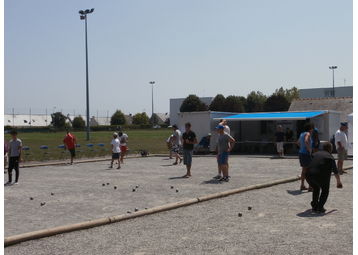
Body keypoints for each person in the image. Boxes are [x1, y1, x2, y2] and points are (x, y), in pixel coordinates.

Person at [305, 142, 343, 213]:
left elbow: (310, 164)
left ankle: (314, 204)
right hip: (320, 175)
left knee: (316, 188)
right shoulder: (330, 157)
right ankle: (320, 206)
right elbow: (335, 171)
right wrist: (338, 181)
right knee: (325, 190)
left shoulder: (314, 154)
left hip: (308, 174)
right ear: (330, 149)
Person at [296, 122, 314, 191]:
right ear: (310, 129)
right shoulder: (307, 134)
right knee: (309, 170)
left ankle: (302, 185)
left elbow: (297, 142)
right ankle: (310, 186)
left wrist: (302, 147)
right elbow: (306, 140)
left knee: (304, 170)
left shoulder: (301, 134)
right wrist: (309, 148)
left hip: (301, 152)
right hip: (306, 154)